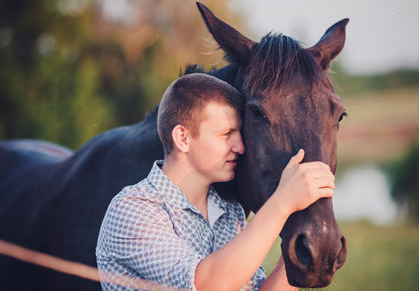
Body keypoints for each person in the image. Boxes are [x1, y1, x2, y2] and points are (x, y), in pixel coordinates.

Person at [96, 73, 335, 291]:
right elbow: (207, 285)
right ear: (183, 138)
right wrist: (282, 203)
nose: (240, 147)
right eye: (226, 134)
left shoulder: (231, 215)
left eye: (239, 134)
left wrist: (297, 235)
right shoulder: (132, 210)